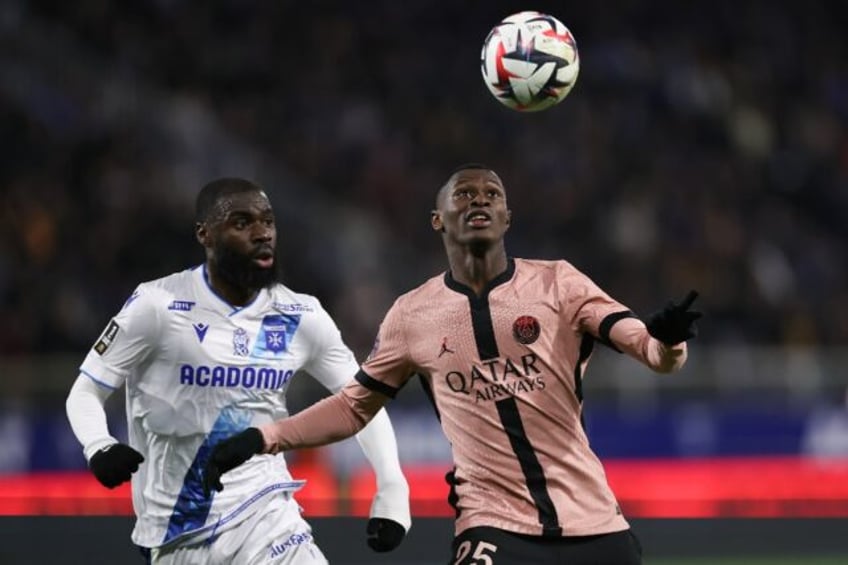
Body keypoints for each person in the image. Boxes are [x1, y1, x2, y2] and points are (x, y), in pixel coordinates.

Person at [203, 165, 702, 564]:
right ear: (438, 219)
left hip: (595, 523)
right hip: (494, 526)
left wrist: (669, 340)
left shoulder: (559, 284)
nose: (479, 199)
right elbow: (355, 407)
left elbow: (652, 354)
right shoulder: (412, 314)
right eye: (463, 194)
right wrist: (266, 437)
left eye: (491, 193)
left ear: (507, 217)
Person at [65, 178, 410, 564]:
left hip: (269, 516)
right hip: (178, 534)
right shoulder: (157, 305)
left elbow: (361, 401)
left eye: (267, 221)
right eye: (242, 223)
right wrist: (99, 445)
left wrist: (392, 486)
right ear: (205, 234)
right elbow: (85, 391)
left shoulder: (300, 314)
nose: (262, 233)